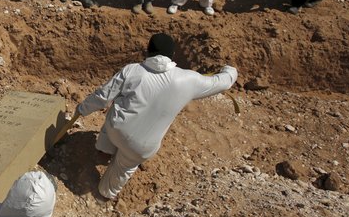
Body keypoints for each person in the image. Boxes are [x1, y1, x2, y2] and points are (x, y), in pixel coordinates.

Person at [74, 33, 237, 200]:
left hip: (117, 130)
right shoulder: (189, 79)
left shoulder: (133, 70)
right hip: (142, 146)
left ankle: (104, 150)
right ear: (172, 55)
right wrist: (229, 70)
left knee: (116, 108)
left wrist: (82, 109)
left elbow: (103, 97)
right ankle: (104, 194)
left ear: (148, 51)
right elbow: (222, 82)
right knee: (123, 168)